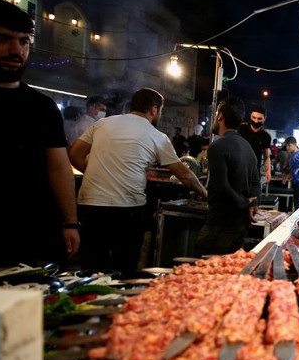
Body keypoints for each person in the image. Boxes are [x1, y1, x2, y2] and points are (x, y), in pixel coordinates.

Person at [0, 0, 80, 272]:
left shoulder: (42, 106)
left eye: (24, 41)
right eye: (2, 38)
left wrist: (70, 222)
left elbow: (59, 168)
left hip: (33, 238)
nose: (16, 50)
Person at [68, 87, 207, 273]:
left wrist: (97, 171)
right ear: (154, 109)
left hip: (90, 206)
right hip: (127, 210)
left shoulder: (103, 123)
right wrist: (206, 194)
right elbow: (185, 174)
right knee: (124, 268)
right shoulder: (157, 136)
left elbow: (75, 154)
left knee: (92, 267)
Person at [196, 97, 260, 255]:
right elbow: (256, 183)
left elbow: (221, 186)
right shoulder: (248, 147)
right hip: (240, 228)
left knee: (206, 272)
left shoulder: (217, 147)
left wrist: (244, 202)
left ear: (220, 116)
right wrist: (252, 203)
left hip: (219, 226)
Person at [238, 103, 273, 185]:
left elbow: (266, 156)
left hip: (254, 172)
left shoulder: (266, 136)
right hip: (238, 170)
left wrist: (268, 171)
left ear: (265, 118)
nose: (256, 121)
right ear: (250, 116)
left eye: (259, 119)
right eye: (254, 117)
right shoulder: (241, 129)